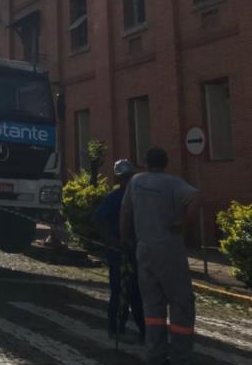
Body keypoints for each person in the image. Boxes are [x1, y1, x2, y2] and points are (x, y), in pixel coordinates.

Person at [120, 147, 199, 365]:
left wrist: (124, 239)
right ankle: (181, 356)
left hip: (144, 250)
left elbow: (125, 212)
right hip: (169, 250)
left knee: (152, 306)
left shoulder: (135, 182)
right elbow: (194, 199)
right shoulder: (172, 183)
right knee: (180, 302)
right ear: (166, 163)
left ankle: (155, 354)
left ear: (145, 162)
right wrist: (183, 225)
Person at [93, 159, 145, 342]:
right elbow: (99, 220)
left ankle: (141, 329)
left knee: (136, 291)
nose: (127, 180)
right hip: (119, 252)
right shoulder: (114, 197)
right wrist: (112, 241)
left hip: (137, 249)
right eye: (125, 177)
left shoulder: (138, 197)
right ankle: (116, 326)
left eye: (129, 177)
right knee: (120, 291)